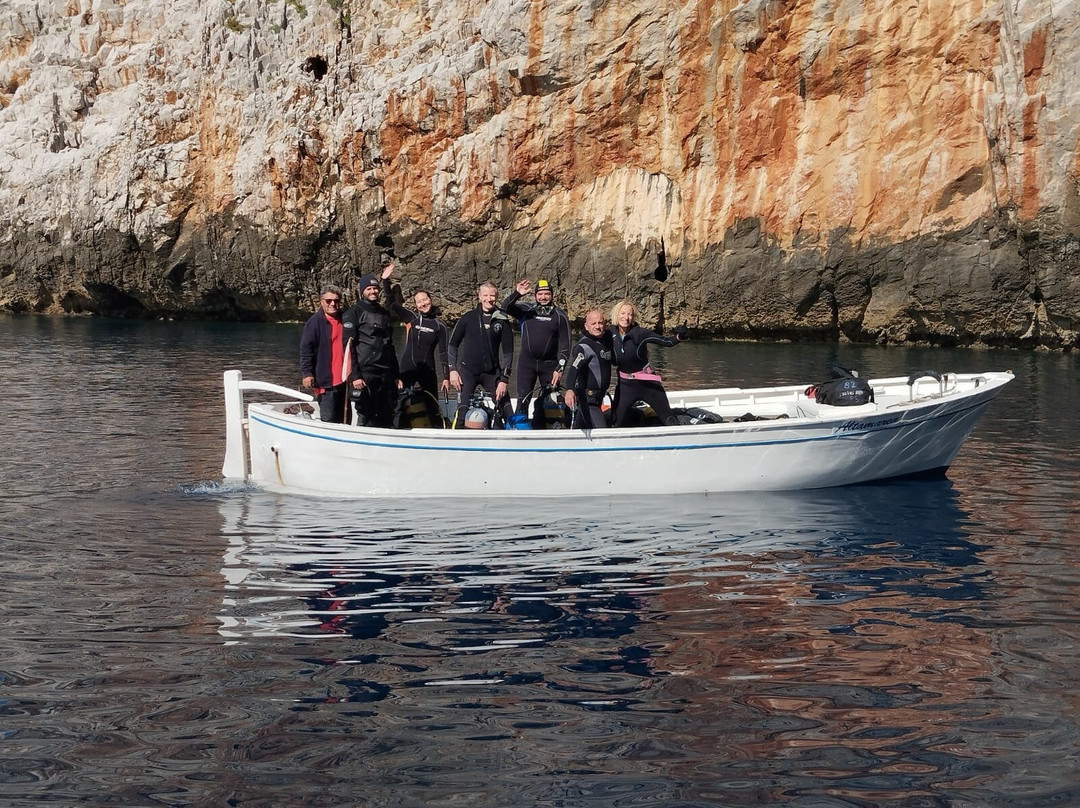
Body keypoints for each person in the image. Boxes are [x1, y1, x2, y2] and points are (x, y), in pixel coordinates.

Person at [609, 299, 688, 427]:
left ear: (634, 317)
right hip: (625, 386)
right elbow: (593, 339)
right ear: (616, 315)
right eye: (623, 313)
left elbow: (666, 342)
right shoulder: (609, 334)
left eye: (630, 314)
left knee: (669, 420)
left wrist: (680, 336)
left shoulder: (640, 333)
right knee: (615, 423)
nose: (626, 317)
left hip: (648, 384)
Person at [447, 282, 514, 428]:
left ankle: (509, 440)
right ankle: (456, 442)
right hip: (467, 372)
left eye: (492, 295)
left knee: (507, 410)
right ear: (479, 296)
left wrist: (504, 379)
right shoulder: (467, 318)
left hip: (491, 373)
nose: (489, 299)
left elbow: (508, 353)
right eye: (485, 295)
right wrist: (452, 370)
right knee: (462, 412)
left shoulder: (502, 320)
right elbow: (452, 345)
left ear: (496, 297)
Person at [381, 263, 450, 400]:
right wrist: (384, 280)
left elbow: (443, 353)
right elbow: (392, 303)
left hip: (428, 370)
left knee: (432, 404)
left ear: (430, 300)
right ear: (415, 305)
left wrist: (446, 377)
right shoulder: (411, 319)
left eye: (425, 299)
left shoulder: (440, 326)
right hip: (407, 368)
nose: (423, 304)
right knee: (400, 402)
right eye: (419, 302)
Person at [502, 278, 572, 413]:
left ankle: (547, 428)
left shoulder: (559, 316)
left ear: (552, 295)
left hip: (549, 366)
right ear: (535, 296)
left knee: (551, 401)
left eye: (547, 294)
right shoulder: (526, 310)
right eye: (540, 294)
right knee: (522, 401)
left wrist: (560, 367)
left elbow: (566, 345)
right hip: (526, 365)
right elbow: (505, 307)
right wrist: (517, 293)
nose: (543, 297)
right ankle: (520, 430)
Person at [341, 274, 399, 427]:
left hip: (385, 372)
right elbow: (348, 347)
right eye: (369, 288)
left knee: (387, 412)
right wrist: (355, 376)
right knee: (366, 413)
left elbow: (390, 346)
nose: (373, 291)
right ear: (362, 292)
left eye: (375, 288)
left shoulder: (384, 314)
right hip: (365, 372)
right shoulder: (353, 313)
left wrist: (396, 375)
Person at [299, 284, 348, 423]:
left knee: (345, 420)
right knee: (329, 419)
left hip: (345, 381)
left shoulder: (346, 319)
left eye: (336, 301)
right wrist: (307, 374)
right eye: (328, 301)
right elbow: (306, 349)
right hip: (325, 381)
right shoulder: (314, 322)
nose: (333, 304)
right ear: (321, 302)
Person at [562, 309, 614, 429]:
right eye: (593, 323)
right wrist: (569, 389)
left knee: (579, 427)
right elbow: (573, 369)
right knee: (602, 433)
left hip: (599, 399)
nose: (597, 326)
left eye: (600, 323)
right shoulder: (584, 347)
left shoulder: (605, 343)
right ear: (586, 326)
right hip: (588, 401)